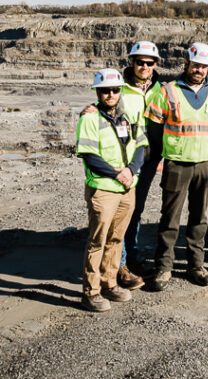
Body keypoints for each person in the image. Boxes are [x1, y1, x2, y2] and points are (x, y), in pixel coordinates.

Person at [79, 40, 162, 291]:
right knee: (119, 215)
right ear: (132, 62)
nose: (144, 66)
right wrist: (89, 110)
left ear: (155, 64)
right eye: (140, 62)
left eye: (149, 63)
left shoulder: (162, 89)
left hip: (149, 158)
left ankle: (130, 257)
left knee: (134, 212)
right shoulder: (120, 88)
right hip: (124, 163)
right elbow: (105, 108)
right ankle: (120, 266)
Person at [146, 42, 208, 290]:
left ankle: (196, 265)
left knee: (199, 218)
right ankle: (164, 267)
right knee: (170, 217)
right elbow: (154, 131)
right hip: (177, 163)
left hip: (205, 164)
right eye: (195, 64)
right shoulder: (167, 91)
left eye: (203, 66)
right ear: (186, 63)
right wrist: (163, 157)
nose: (199, 69)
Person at [74, 68, 148, 312]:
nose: (110, 94)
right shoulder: (90, 118)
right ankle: (91, 291)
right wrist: (118, 173)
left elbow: (140, 145)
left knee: (117, 238)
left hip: (127, 188)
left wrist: (131, 170)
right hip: (104, 189)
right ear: (98, 91)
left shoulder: (126, 117)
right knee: (98, 240)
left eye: (115, 90)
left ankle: (109, 282)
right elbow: (88, 155)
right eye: (105, 90)